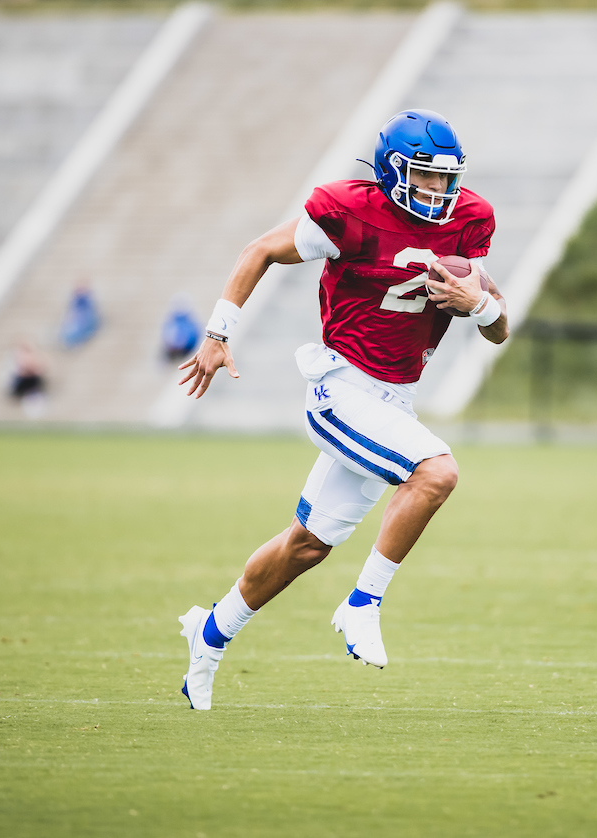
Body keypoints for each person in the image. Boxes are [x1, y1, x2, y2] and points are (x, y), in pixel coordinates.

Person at [174, 109, 509, 710]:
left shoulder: (470, 218)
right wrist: (218, 334)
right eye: (425, 175)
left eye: (445, 177)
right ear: (392, 170)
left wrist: (478, 303)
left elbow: (499, 328)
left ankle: (211, 632)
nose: (437, 189)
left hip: (394, 398)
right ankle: (364, 602)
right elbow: (261, 249)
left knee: (307, 545)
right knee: (436, 471)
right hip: (341, 387)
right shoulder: (349, 210)